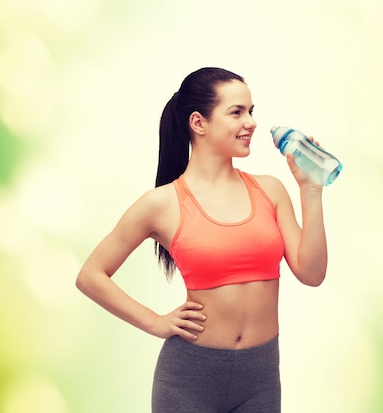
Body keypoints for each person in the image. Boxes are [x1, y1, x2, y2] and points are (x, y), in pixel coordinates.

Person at [75, 67, 328, 413]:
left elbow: (312, 273)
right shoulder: (162, 203)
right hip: (188, 381)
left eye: (251, 111)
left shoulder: (270, 190)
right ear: (199, 122)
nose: (251, 122)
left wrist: (310, 189)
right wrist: (155, 321)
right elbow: (90, 275)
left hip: (261, 379)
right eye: (236, 112)